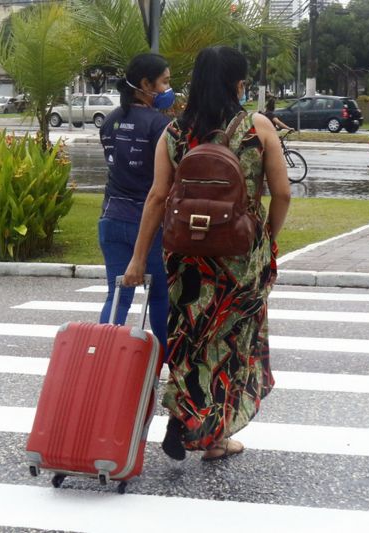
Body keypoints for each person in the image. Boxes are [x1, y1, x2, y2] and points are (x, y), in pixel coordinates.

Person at [122, 46, 291, 461]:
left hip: (187, 259)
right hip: (239, 257)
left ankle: (185, 416)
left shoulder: (174, 132)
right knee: (232, 344)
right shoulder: (258, 128)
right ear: (238, 83)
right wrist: (266, 235)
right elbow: (283, 193)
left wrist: (137, 259)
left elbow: (158, 197)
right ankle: (216, 437)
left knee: (190, 339)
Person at [98, 53, 173, 350]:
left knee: (117, 295)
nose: (169, 88)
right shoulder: (160, 126)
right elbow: (163, 182)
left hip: (110, 220)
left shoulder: (110, 121)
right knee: (159, 296)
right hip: (147, 224)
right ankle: (167, 362)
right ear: (146, 84)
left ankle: (102, 357)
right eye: (165, 81)